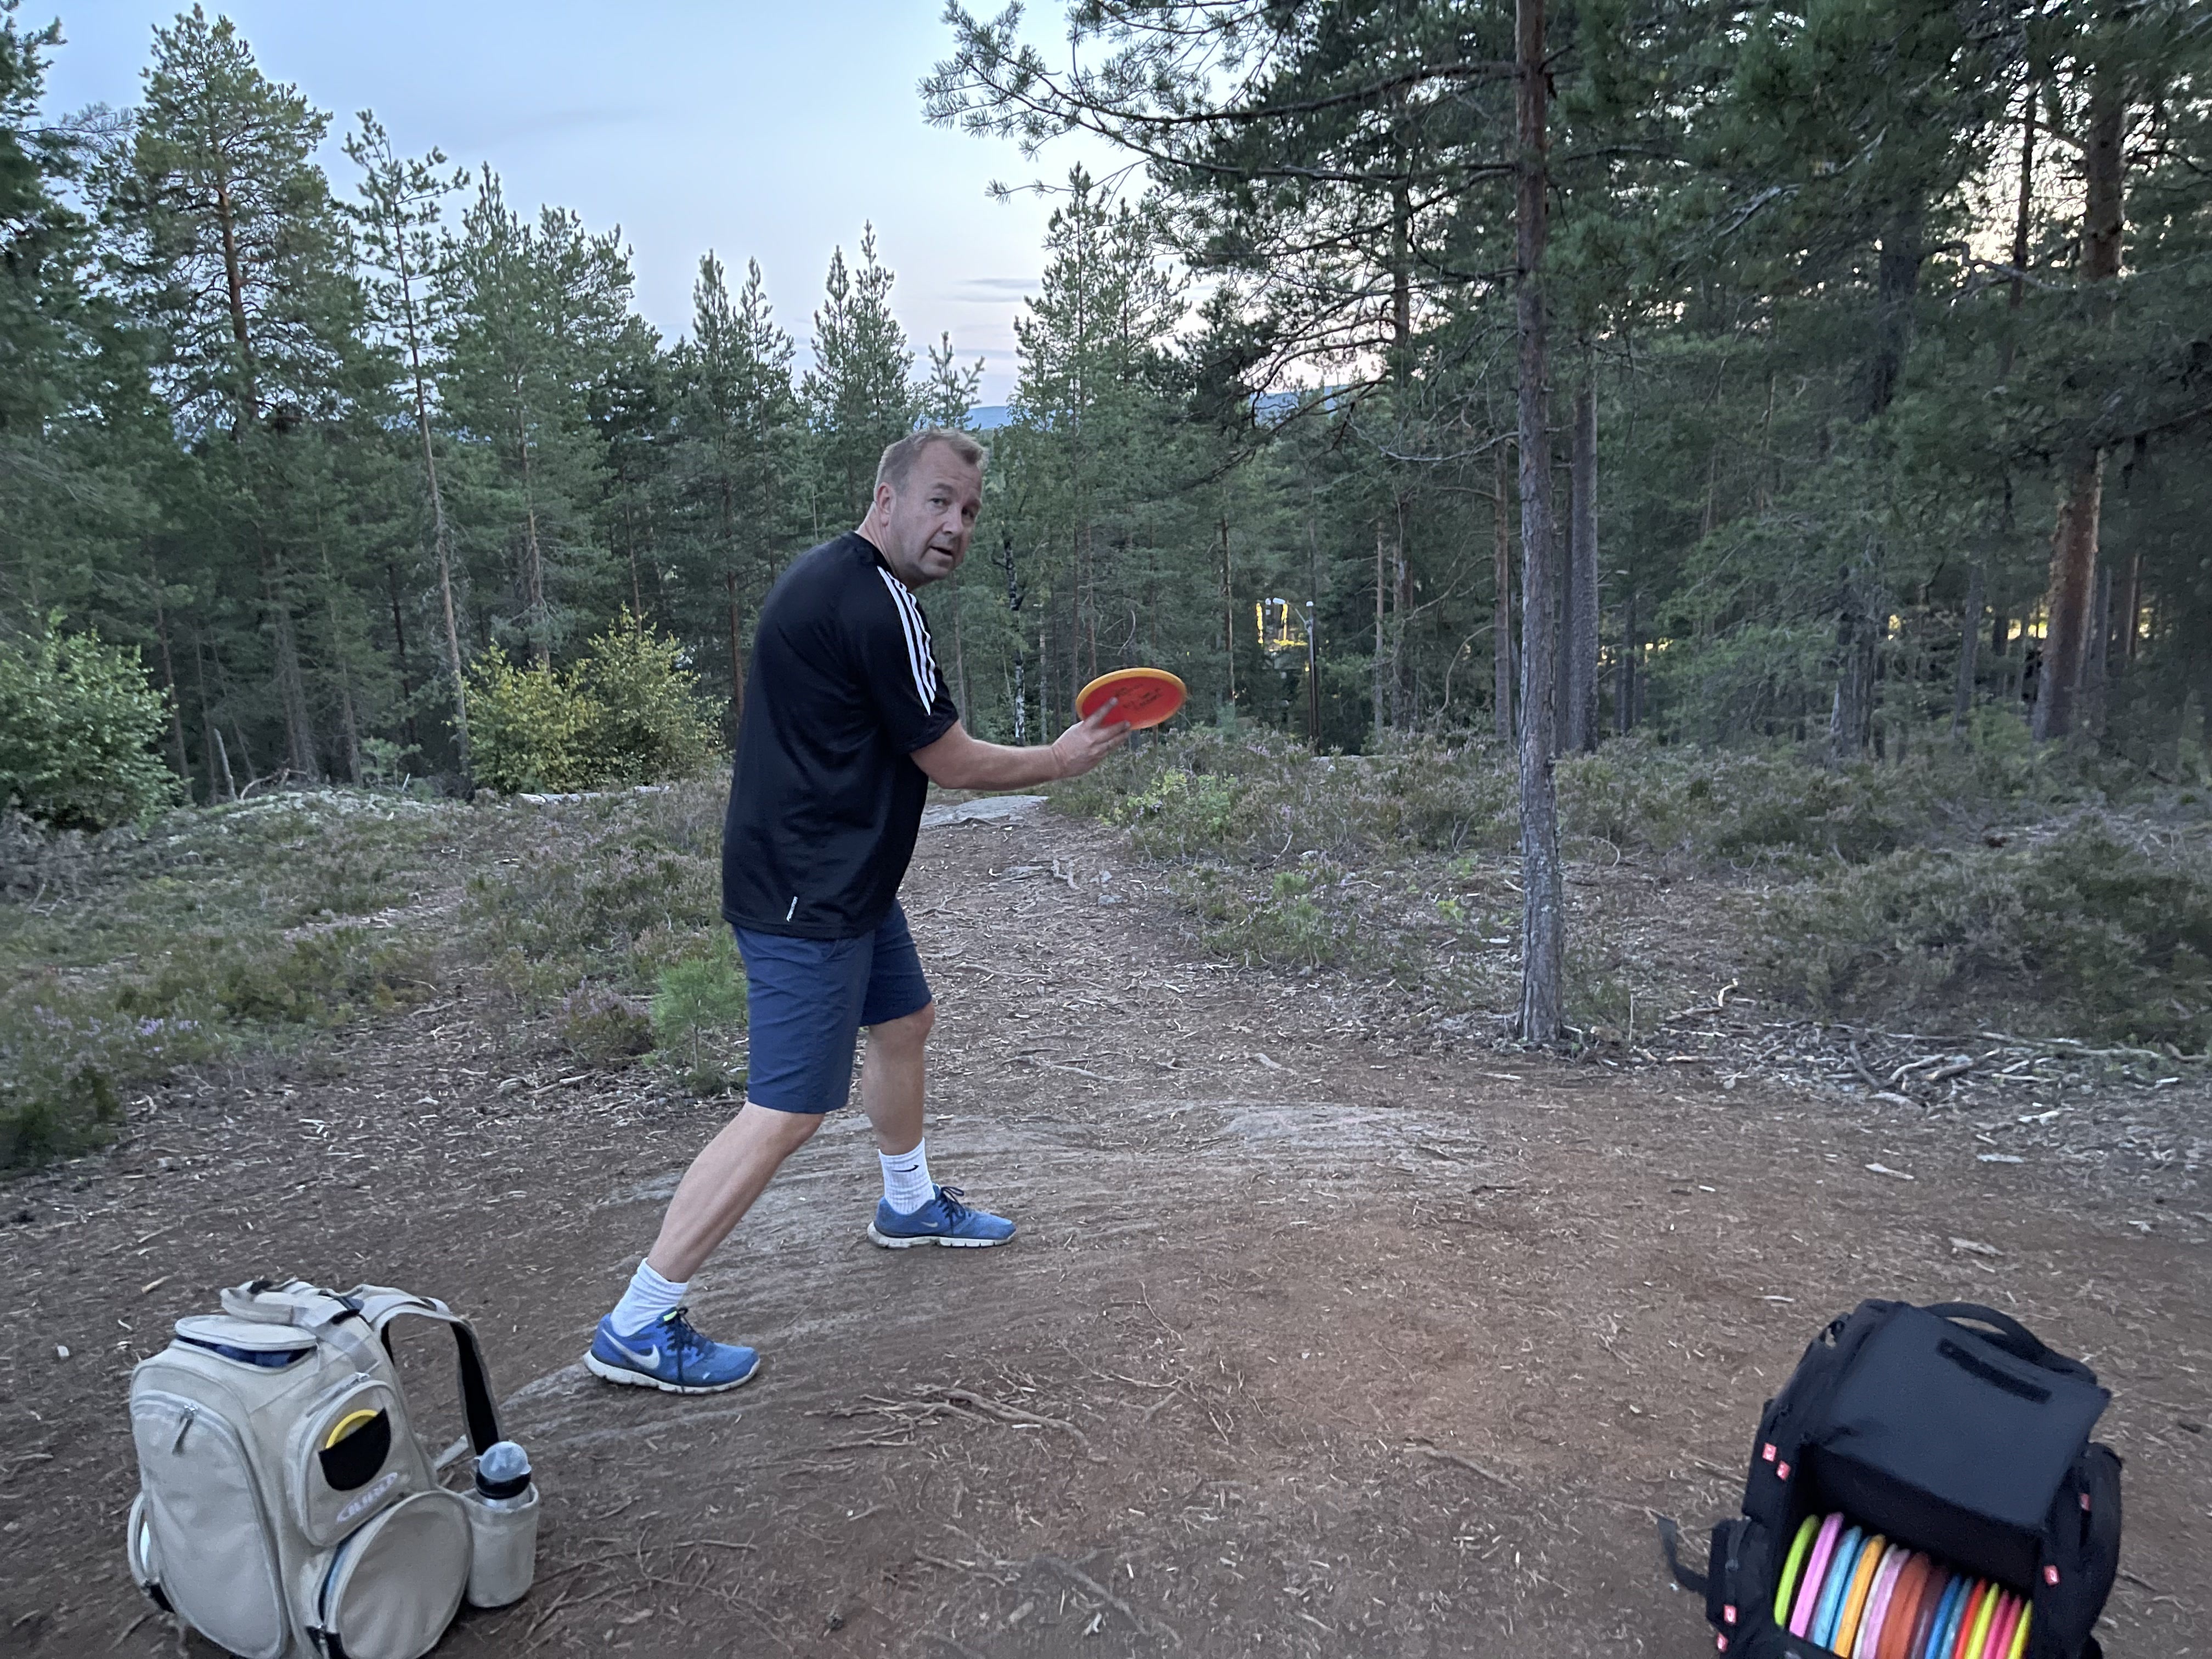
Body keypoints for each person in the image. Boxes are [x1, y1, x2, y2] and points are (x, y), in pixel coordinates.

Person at [585, 428, 1130, 1394]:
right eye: (938, 501)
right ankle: (638, 1319)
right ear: (885, 500)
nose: (955, 525)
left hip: (837, 876)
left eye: (970, 511)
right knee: (787, 1108)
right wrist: (1059, 758)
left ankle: (907, 1203)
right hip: (811, 892)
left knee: (905, 1020)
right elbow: (950, 760)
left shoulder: (839, 580)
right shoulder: (876, 603)